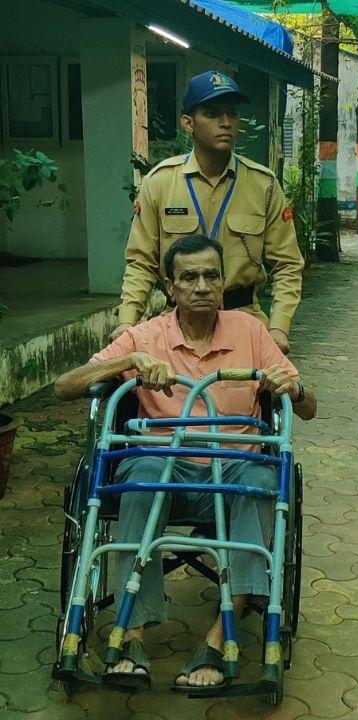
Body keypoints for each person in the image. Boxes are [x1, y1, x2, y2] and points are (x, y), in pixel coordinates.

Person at [54, 235, 317, 691]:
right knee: (141, 474)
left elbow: (309, 406)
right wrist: (128, 361)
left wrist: (290, 387)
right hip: (164, 463)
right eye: (189, 277)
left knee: (260, 480)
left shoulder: (251, 331)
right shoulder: (146, 335)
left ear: (223, 281)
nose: (201, 286)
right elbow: (64, 386)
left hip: (235, 463)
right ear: (170, 287)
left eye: (211, 275)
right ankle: (131, 633)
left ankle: (219, 638)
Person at [113, 71, 303, 356]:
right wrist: (127, 322)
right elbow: (141, 262)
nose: (225, 123)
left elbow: (287, 265)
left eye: (232, 114)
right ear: (188, 123)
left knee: (274, 396)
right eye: (212, 114)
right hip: (177, 326)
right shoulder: (160, 183)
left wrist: (278, 328)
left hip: (245, 324)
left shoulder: (263, 185)